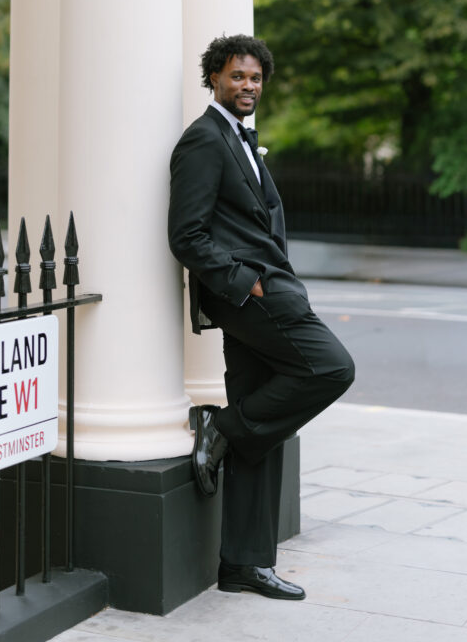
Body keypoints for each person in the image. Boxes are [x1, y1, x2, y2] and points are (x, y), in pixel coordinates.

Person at [168, 33, 355, 601]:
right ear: (214, 79)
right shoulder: (203, 140)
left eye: (254, 78)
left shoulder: (241, 139)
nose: (247, 85)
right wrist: (244, 283)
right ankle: (221, 429)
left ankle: (244, 564)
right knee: (330, 367)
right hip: (250, 295)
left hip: (265, 288)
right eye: (236, 76)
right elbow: (187, 234)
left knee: (264, 419)